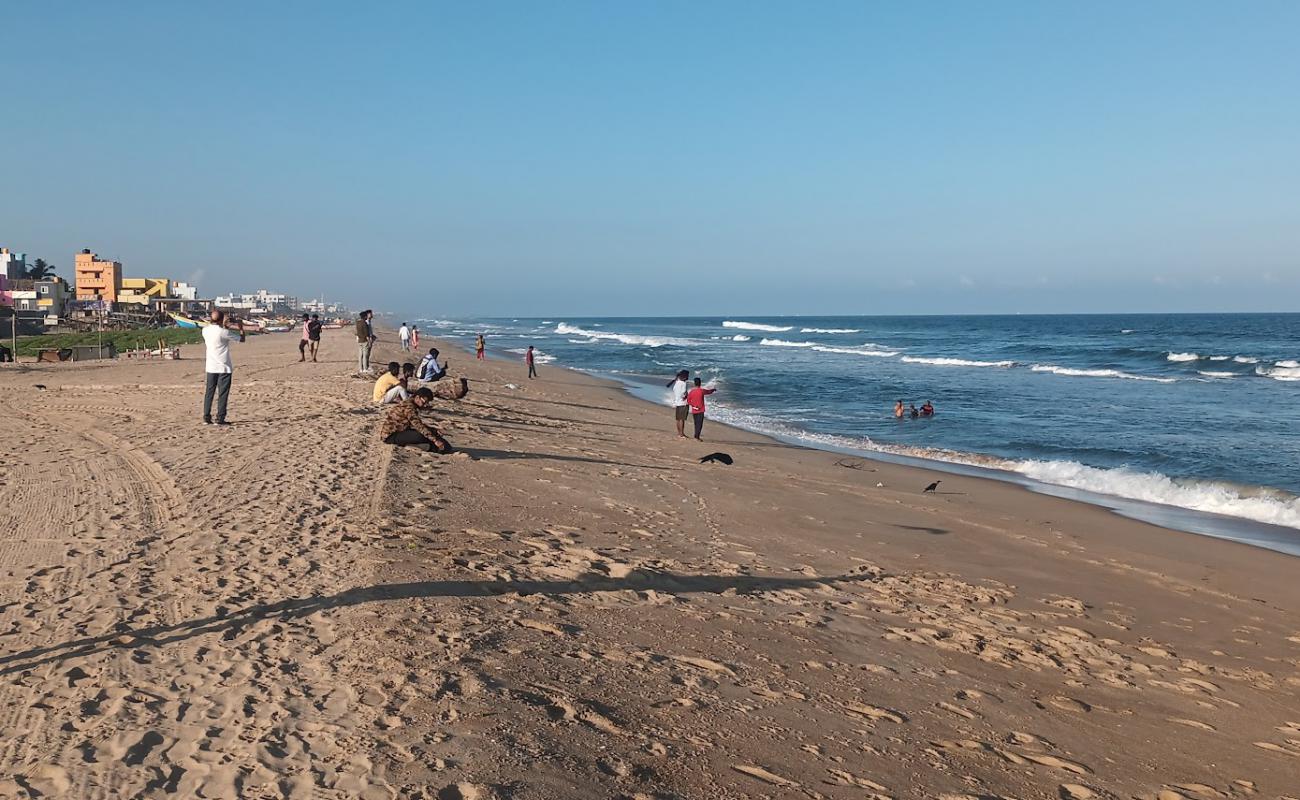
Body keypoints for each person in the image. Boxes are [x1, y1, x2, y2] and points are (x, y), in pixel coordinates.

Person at [202, 310, 245, 426]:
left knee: (209, 392)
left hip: (211, 366)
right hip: (224, 367)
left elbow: (216, 330)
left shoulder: (205, 331)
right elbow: (241, 339)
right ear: (221, 319)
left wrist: (224, 324)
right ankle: (220, 418)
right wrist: (240, 328)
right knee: (223, 393)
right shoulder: (224, 332)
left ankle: (206, 416)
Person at [381, 387, 452, 452]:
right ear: (417, 397)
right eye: (424, 402)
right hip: (391, 436)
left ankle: (433, 446)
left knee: (432, 436)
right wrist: (435, 440)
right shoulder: (409, 407)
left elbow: (417, 425)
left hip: (402, 431)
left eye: (427, 403)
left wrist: (434, 431)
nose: (425, 405)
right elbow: (418, 426)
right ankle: (424, 447)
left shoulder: (411, 404)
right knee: (421, 436)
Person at [686, 377, 717, 441]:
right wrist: (713, 390)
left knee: (696, 423)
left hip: (694, 410)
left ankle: (696, 436)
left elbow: (688, 401)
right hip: (700, 410)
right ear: (700, 383)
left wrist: (693, 405)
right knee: (699, 424)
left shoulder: (692, 392)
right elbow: (708, 392)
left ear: (694, 383)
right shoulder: (701, 390)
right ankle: (696, 437)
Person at [666, 369, 690, 438]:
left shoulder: (677, 383)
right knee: (682, 419)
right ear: (685, 376)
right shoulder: (684, 383)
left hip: (677, 402)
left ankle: (679, 433)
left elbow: (674, 390)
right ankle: (682, 434)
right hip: (683, 403)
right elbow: (683, 393)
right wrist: (685, 396)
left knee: (678, 419)